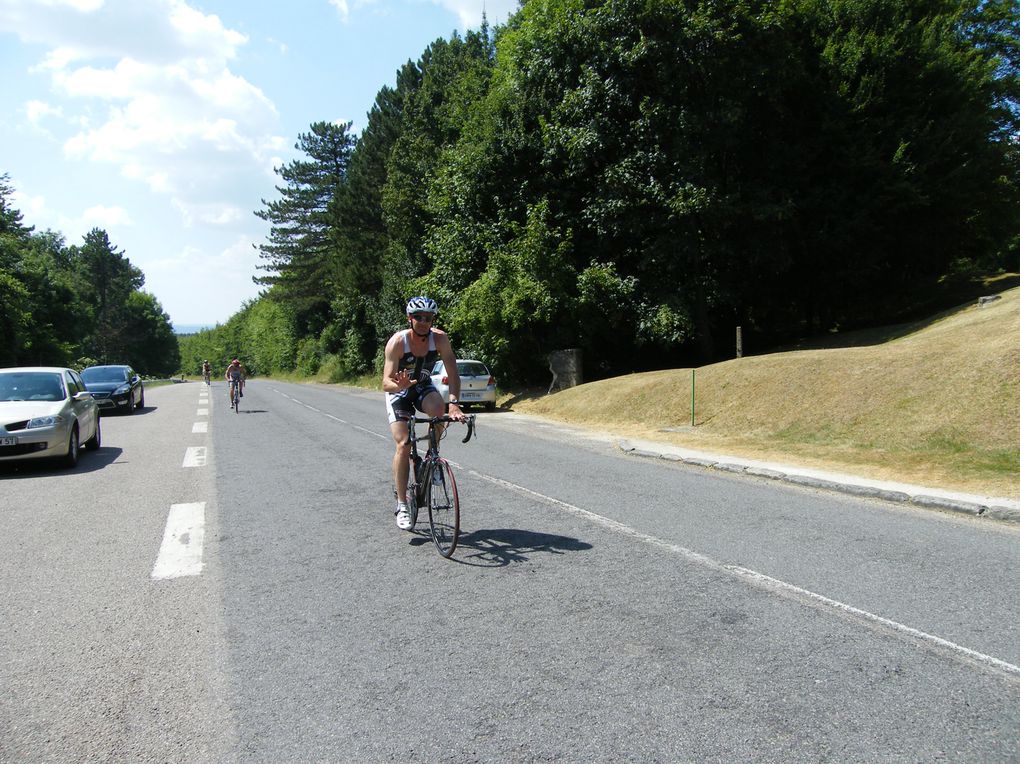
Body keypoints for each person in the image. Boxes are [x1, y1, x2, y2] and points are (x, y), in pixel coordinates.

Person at [382, 296, 466, 530]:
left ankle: (432, 458)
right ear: (410, 318)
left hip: (422, 386)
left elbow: (453, 373)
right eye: (418, 317)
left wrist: (455, 404)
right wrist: (399, 385)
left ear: (432, 320)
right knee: (404, 444)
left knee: (440, 411)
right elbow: (385, 383)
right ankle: (402, 504)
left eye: (427, 318)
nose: (422, 321)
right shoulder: (398, 342)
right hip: (399, 391)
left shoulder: (440, 339)